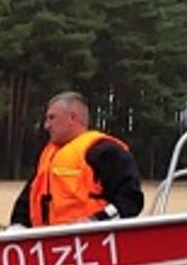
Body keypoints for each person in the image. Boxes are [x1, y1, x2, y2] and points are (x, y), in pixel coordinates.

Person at [10, 92, 143, 227]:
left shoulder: (104, 151)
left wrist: (97, 221)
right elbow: (27, 202)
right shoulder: (47, 157)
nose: (46, 125)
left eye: (52, 118)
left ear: (72, 118)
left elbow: (130, 199)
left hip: (93, 240)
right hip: (48, 242)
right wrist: (17, 226)